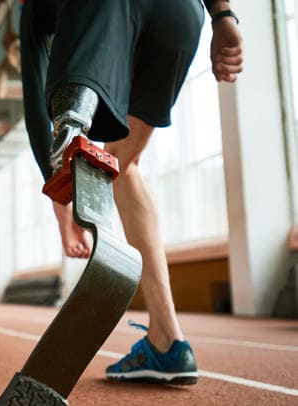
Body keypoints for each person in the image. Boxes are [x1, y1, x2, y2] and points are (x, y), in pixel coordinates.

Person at [20, 0, 243, 384]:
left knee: (67, 61)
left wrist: (58, 186)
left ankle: (74, 108)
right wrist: (223, 15)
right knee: (123, 165)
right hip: (182, 15)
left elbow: (31, 81)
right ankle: (167, 341)